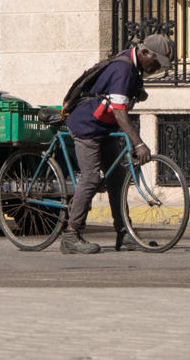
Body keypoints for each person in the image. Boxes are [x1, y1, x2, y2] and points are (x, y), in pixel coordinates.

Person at [59, 33, 171, 254]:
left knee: (118, 180)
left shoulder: (134, 68)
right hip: (86, 126)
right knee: (91, 178)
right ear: (145, 53)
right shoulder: (124, 69)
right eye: (156, 61)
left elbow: (119, 107)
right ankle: (71, 235)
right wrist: (138, 143)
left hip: (104, 127)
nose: (156, 67)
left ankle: (124, 233)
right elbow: (120, 112)